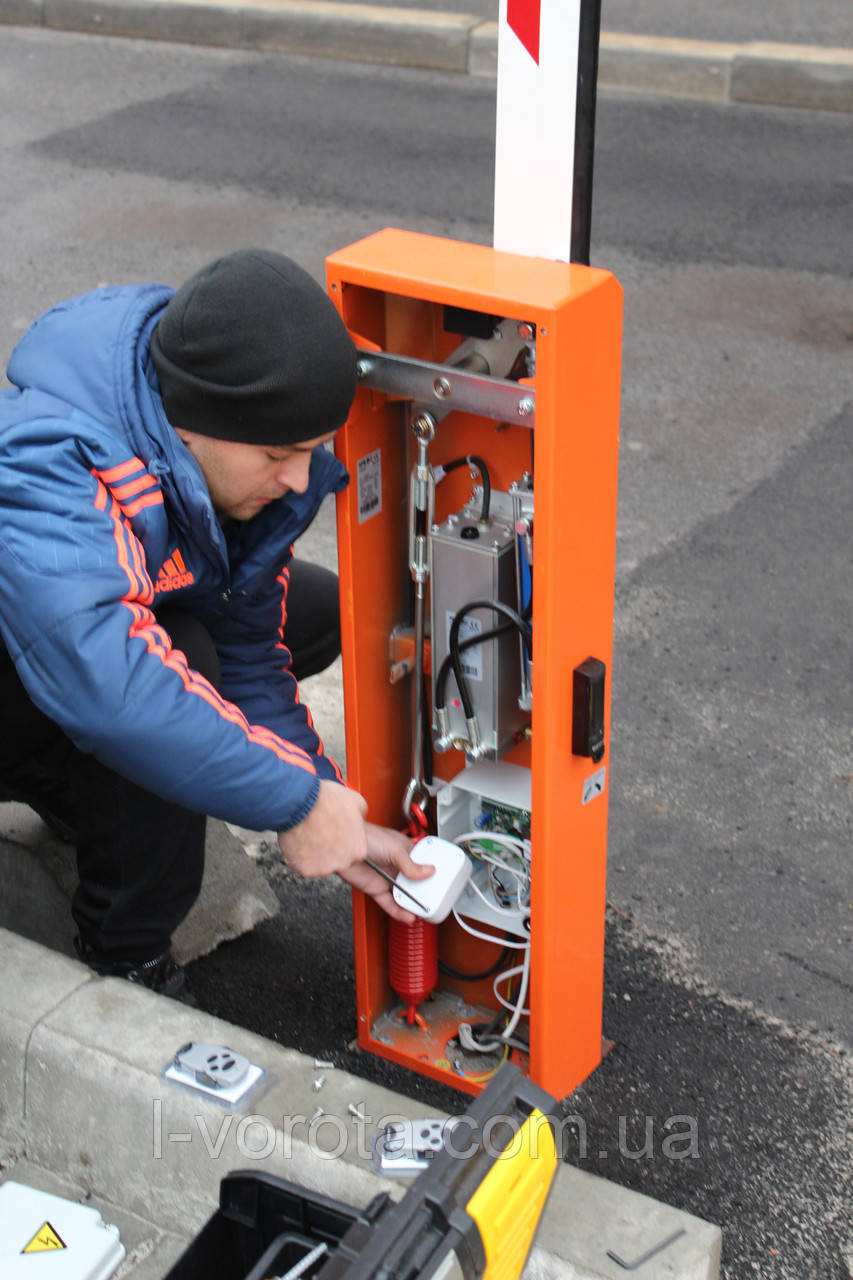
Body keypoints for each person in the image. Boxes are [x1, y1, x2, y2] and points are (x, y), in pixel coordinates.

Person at [0, 248, 432, 1001]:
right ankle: (125, 958)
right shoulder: (51, 464)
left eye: (311, 451)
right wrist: (290, 807)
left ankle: (90, 804)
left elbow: (248, 641)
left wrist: (318, 795)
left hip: (65, 676)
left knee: (313, 612)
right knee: (175, 668)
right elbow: (115, 690)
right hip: (40, 678)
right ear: (192, 423)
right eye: (278, 454)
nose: (300, 479)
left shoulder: (199, 456)